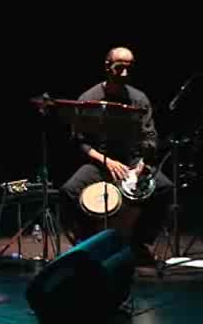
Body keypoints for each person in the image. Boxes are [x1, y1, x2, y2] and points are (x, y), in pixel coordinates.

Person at [60, 46, 173, 264]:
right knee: (69, 190)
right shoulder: (89, 98)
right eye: (119, 68)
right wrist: (106, 161)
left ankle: (139, 243)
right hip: (100, 162)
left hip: (131, 162)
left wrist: (141, 164)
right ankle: (85, 243)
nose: (124, 74)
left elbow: (150, 137)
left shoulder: (139, 99)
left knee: (164, 188)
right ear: (107, 67)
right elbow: (80, 142)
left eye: (128, 69)